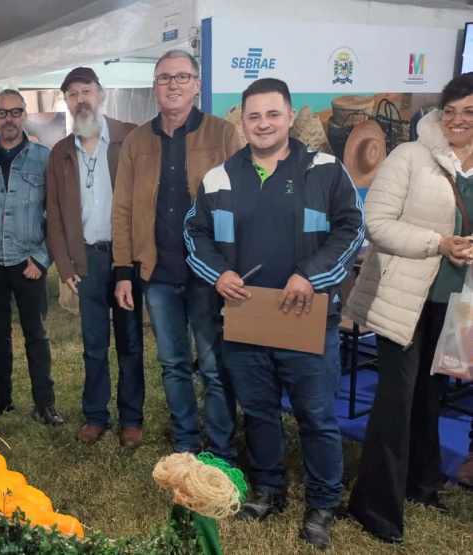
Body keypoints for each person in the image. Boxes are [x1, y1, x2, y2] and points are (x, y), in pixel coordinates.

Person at [185, 77, 365, 548]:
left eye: (272, 114)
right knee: (260, 410)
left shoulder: (324, 170)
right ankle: (268, 489)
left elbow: (353, 227)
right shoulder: (219, 177)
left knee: (317, 414)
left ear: (289, 118)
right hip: (246, 318)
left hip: (308, 316)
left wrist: (311, 274)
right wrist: (219, 274)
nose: (263, 123)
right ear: (241, 122)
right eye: (253, 115)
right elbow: (195, 233)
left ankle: (322, 502)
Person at [345, 72, 473, 543]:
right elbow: (375, 224)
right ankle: (376, 507)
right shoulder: (411, 157)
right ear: (440, 113)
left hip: (458, 302)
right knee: (396, 400)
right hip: (405, 298)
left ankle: (423, 485)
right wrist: (437, 243)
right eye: (451, 111)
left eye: (469, 112)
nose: (458, 120)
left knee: (431, 396)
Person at [112, 49, 242, 460]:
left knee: (214, 366)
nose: (173, 85)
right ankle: (186, 439)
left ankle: (220, 447)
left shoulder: (222, 135)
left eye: (182, 77)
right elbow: (123, 210)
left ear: (197, 85)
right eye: (165, 78)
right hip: (158, 273)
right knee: (172, 363)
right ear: (154, 87)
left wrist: (232, 265)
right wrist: (122, 271)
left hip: (210, 273)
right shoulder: (136, 141)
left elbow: (244, 203)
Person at [46, 68, 143, 444]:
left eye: (86, 90)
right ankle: (96, 414)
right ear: (67, 103)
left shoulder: (129, 138)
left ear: (101, 95)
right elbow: (53, 214)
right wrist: (65, 264)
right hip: (86, 261)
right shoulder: (60, 153)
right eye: (72, 94)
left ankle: (132, 419)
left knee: (130, 341)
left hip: (125, 259)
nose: (80, 99)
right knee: (93, 344)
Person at [0, 90, 63, 427]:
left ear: (24, 116)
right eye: (2, 113)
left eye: (15, 112)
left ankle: (44, 402)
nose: (8, 119)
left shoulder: (44, 158)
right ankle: (1, 397)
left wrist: (43, 258)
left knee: (36, 334)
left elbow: (57, 212)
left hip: (29, 263)